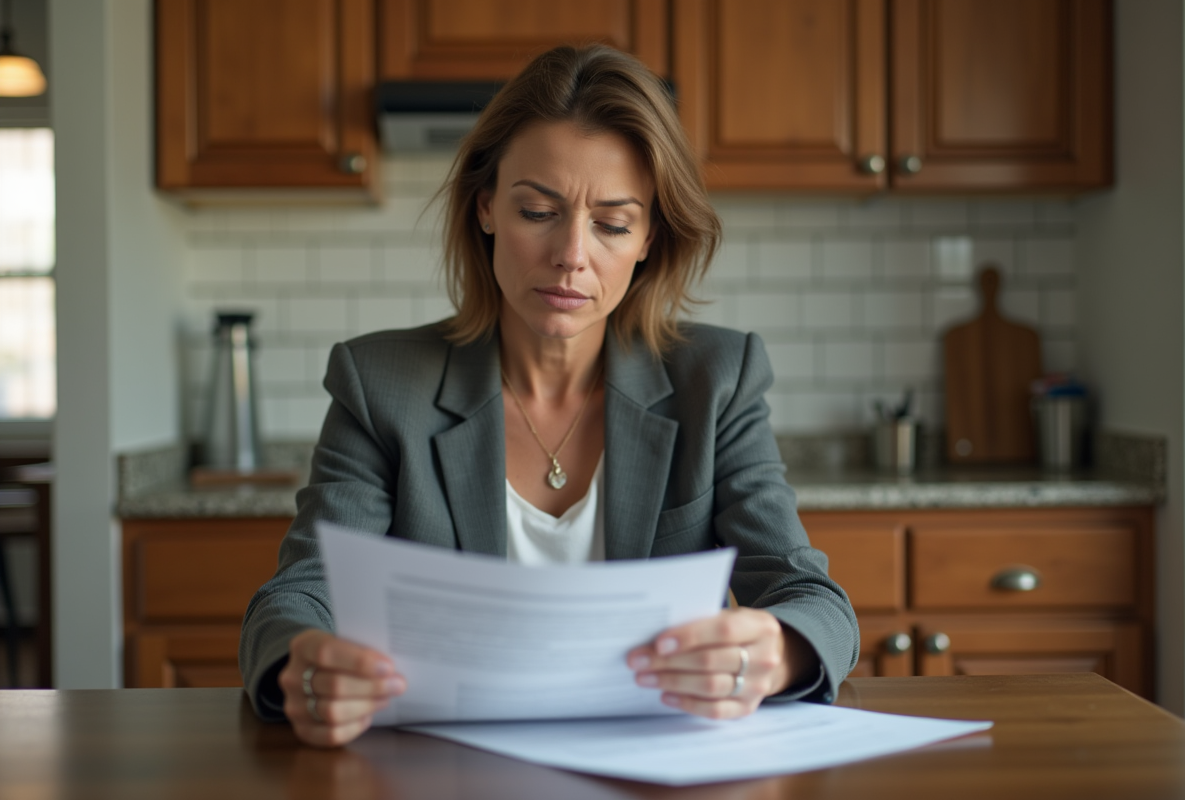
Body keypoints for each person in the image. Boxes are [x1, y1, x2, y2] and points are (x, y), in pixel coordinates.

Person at [240, 44, 859, 748]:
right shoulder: (379, 382)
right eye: (538, 211)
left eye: (613, 224)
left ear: (649, 238)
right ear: (486, 207)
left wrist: (775, 653)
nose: (571, 254)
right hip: (445, 767)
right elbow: (297, 596)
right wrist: (306, 665)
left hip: (656, 769)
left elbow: (812, 599)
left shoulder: (715, 379)